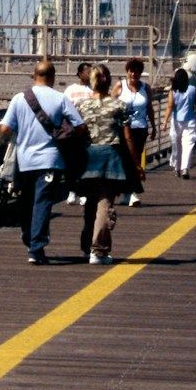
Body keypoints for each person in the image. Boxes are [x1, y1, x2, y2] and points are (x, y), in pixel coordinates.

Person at [0, 58, 84, 264]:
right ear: (53, 77)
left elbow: (5, 129)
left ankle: (29, 237)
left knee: (27, 201)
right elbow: (80, 126)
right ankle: (36, 248)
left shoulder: (19, 98)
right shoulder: (60, 99)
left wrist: (0, 132)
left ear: (34, 76)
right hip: (51, 159)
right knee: (42, 202)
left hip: (25, 160)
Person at [75, 64, 129, 264]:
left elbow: (77, 133)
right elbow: (128, 137)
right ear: (108, 81)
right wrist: (135, 163)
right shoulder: (118, 106)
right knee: (105, 204)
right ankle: (98, 251)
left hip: (88, 159)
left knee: (91, 205)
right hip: (110, 159)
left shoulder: (80, 106)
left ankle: (86, 246)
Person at [117, 58, 151, 206]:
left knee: (134, 160)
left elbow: (149, 108)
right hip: (123, 129)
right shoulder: (120, 86)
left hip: (140, 128)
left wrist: (154, 126)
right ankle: (130, 193)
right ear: (127, 71)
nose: (133, 74)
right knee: (127, 160)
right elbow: (111, 105)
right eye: (131, 70)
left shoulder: (146, 88)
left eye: (137, 71)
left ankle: (129, 193)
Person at [61, 62, 95, 205]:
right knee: (70, 163)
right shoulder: (70, 90)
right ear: (80, 74)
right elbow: (64, 108)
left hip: (88, 132)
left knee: (85, 163)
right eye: (87, 72)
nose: (89, 75)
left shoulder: (93, 90)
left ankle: (83, 192)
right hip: (72, 131)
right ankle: (71, 191)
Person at [168, 66, 196, 177]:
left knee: (176, 145)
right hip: (190, 120)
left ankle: (177, 167)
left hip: (176, 121)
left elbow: (170, 106)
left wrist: (164, 122)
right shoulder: (193, 89)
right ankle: (185, 168)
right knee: (188, 144)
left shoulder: (173, 91)